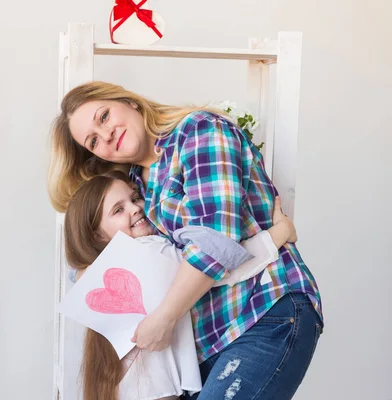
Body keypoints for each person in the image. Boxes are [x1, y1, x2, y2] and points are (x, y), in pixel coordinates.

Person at [48, 81, 323, 399]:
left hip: (262, 310)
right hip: (205, 343)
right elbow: (98, 258)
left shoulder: (198, 131)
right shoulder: (137, 186)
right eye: (93, 141)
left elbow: (216, 242)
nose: (106, 135)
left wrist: (163, 318)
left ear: (130, 103)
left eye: (104, 116)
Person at [63, 171, 297, 400]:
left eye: (134, 198)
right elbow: (221, 263)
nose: (135, 208)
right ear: (97, 235)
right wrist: (279, 233)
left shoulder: (102, 276)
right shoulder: (153, 250)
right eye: (118, 210)